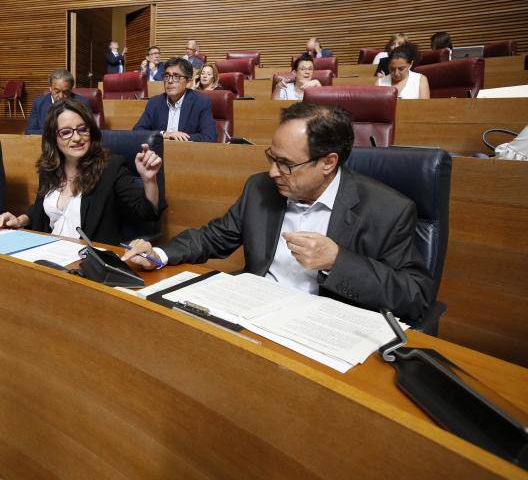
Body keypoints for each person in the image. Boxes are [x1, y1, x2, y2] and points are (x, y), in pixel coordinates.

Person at [123, 102, 434, 324]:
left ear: (328, 162)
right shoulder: (260, 188)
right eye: (272, 157)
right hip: (252, 313)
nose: (272, 172)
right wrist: (159, 254)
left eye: (286, 164)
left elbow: (415, 296)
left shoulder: (387, 209)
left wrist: (339, 261)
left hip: (320, 327)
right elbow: (214, 236)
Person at [0, 99, 165, 246]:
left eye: (83, 129)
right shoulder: (49, 168)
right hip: (49, 253)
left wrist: (149, 180)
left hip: (88, 262)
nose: (77, 138)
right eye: (66, 132)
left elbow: (148, 213)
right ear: (53, 138)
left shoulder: (110, 167)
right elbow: (42, 208)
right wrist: (20, 220)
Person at [132, 57, 217, 142]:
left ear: (189, 82)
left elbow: (209, 137)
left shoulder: (201, 102)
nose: (170, 81)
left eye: (176, 76)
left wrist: (176, 139)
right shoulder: (154, 103)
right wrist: (163, 134)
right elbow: (137, 132)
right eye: (167, 76)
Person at [25, 70, 91, 135]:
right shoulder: (39, 103)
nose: (61, 96)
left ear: (71, 89)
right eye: (57, 91)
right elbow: (30, 131)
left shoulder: (82, 103)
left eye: (65, 92)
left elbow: (90, 130)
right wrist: (57, 133)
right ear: (50, 88)